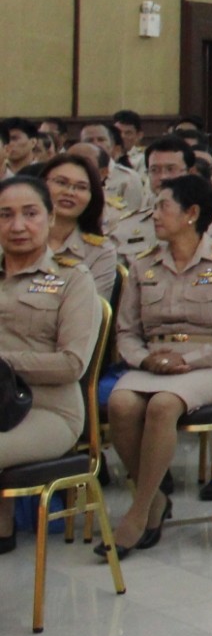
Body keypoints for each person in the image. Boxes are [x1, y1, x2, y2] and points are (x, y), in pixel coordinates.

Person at [106, 174, 212, 552]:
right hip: (153, 363)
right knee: (120, 404)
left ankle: (139, 512)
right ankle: (156, 498)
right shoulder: (142, 267)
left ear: (192, 213)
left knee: (162, 405)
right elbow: (125, 332)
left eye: (163, 207)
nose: (154, 215)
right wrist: (146, 359)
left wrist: (188, 360)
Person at [0, 175, 104, 555]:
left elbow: (72, 364)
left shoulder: (71, 279)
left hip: (47, 411)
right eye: (5, 215)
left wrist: (3, 363)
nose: (17, 226)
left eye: (30, 214)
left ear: (49, 217)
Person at [37, 152, 119, 303]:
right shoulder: (14, 238)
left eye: (81, 187)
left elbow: (90, 313)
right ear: (41, 185)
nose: (69, 192)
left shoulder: (99, 252)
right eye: (61, 183)